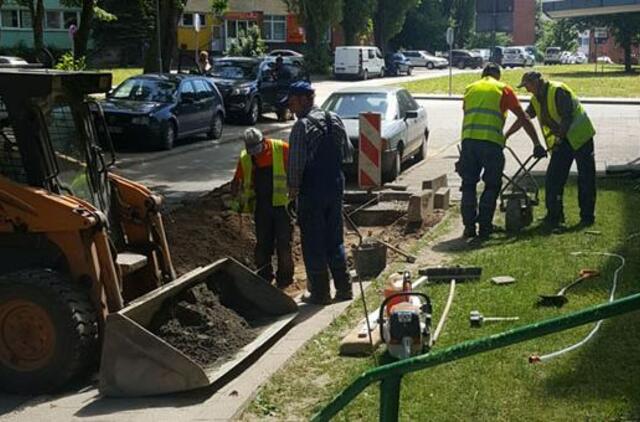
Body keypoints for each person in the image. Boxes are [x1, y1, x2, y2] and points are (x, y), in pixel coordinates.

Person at [459, 63, 545, 239]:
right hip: (491, 144)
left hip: (468, 143)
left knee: (468, 185)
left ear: (483, 74)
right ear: (498, 75)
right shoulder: (503, 89)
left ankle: (469, 227)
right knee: (491, 185)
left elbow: (467, 113)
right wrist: (536, 143)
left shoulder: (470, 88)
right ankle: (484, 227)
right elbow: (523, 117)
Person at [287, 80, 354, 305]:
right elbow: (347, 154)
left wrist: (293, 192)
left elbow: (296, 164)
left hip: (312, 191)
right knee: (335, 239)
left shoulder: (302, 126)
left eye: (293, 102)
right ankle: (344, 288)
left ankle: (320, 292)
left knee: (313, 242)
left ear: (306, 99)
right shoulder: (334, 119)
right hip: (335, 187)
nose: (291, 107)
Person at [507, 71, 596, 229]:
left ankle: (587, 217)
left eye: (527, 86)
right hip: (563, 141)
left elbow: (567, 117)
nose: (526, 90)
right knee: (553, 179)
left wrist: (560, 138)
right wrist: (507, 135)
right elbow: (524, 117)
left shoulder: (558, 90)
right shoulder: (536, 100)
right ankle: (554, 216)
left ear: (536, 82)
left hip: (581, 137)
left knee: (586, 178)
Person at [231, 128, 294, 289]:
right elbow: (237, 181)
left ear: (263, 141)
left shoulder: (281, 148)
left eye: (256, 149)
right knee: (263, 244)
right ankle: (264, 277)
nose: (255, 153)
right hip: (262, 206)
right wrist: (237, 202)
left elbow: (297, 169)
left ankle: (285, 279)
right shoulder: (246, 157)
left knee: (284, 244)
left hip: (282, 206)